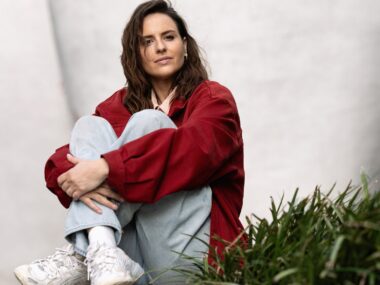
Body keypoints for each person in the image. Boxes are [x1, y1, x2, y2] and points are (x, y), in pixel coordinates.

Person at [14, 0, 245, 284]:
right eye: (147, 41)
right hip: (130, 261)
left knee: (150, 123)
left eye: (168, 37)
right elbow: (61, 161)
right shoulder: (117, 107)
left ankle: (82, 253)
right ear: (136, 53)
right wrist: (84, 172)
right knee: (90, 125)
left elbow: (196, 150)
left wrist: (105, 168)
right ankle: (100, 247)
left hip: (190, 261)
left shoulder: (213, 99)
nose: (160, 47)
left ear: (184, 44)